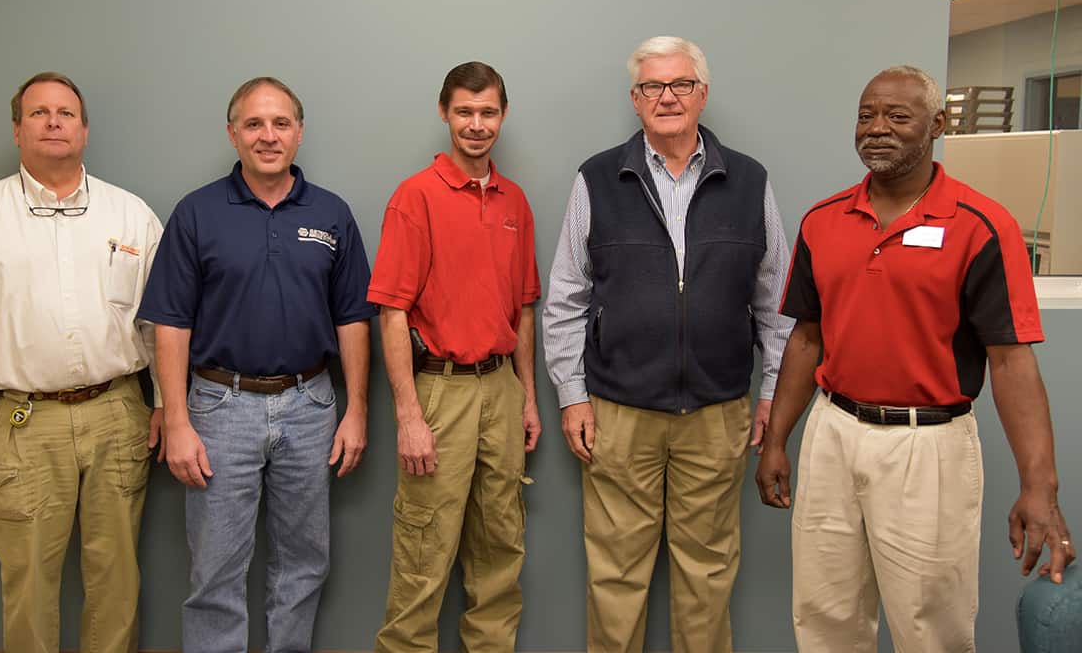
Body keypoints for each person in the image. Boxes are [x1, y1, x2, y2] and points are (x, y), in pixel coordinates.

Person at [756, 65, 1076, 652]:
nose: (878, 129)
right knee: (824, 614)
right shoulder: (823, 221)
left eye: (898, 117)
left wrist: (1040, 485)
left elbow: (1011, 363)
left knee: (930, 625)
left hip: (926, 445)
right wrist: (779, 438)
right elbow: (806, 338)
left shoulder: (982, 226)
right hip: (833, 431)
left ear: (938, 125)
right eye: (866, 115)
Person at [542, 36, 793, 653]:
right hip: (619, 414)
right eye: (653, 87)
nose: (668, 97)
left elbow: (776, 301)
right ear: (635, 100)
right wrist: (572, 396)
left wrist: (773, 395)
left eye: (680, 84)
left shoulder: (749, 180)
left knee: (707, 576)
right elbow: (566, 296)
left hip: (718, 413)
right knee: (615, 575)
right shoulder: (597, 178)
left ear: (702, 94)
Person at [0, 71, 163, 653]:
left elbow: (160, 324)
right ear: (16, 129)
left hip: (119, 414)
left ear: (84, 129)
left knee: (117, 576)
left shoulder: (130, 216)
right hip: (22, 422)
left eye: (65, 113)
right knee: (28, 579)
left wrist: (164, 406)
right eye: (38, 113)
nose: (53, 122)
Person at [137, 77, 374, 653]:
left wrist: (357, 411)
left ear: (298, 133)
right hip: (219, 407)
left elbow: (353, 320)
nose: (268, 136)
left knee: (304, 564)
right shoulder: (196, 213)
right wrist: (175, 421)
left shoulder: (331, 213)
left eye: (281, 124)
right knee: (215, 572)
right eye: (254, 124)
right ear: (233, 133)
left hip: (311, 404)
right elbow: (170, 323)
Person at [372, 61, 541, 652]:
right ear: (444, 112)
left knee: (500, 549)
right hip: (438, 392)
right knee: (424, 552)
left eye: (488, 112)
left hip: (501, 388)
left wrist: (527, 399)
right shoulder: (414, 197)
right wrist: (409, 416)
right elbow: (391, 313)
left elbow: (523, 311)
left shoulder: (515, 201)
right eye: (464, 112)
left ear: (503, 115)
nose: (476, 124)